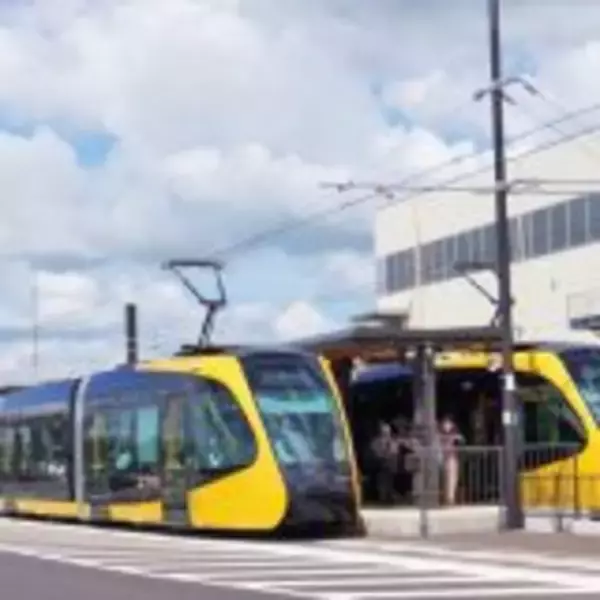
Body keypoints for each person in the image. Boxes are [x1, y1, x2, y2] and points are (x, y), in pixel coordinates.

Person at [369, 422, 400, 505]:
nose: (386, 434)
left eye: (387, 432)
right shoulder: (376, 441)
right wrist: (381, 455)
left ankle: (389, 496)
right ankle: (382, 497)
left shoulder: (393, 442)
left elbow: (395, 452)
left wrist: (389, 454)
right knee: (381, 481)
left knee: (390, 481)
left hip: (390, 465)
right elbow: (374, 451)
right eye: (384, 432)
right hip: (380, 464)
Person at [438, 416, 464, 506]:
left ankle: (450, 498)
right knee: (445, 478)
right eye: (446, 424)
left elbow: (461, 440)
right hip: (443, 458)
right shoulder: (440, 435)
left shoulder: (455, 434)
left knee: (452, 478)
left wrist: (457, 439)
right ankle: (447, 498)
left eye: (449, 424)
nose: (447, 426)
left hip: (452, 458)